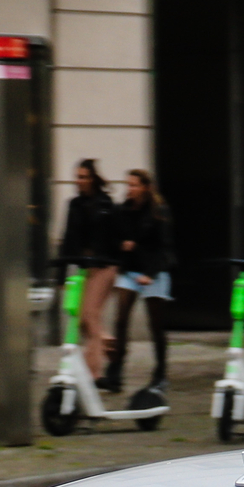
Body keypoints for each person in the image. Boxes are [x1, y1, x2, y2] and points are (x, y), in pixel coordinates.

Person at [104, 167, 176, 394]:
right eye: (128, 185)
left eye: (134, 185)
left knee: (156, 324)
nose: (130, 189)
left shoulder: (158, 212)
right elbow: (113, 237)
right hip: (131, 270)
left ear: (145, 187)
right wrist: (121, 246)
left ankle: (161, 372)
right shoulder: (122, 211)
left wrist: (150, 273)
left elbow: (165, 248)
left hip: (154, 271)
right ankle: (115, 371)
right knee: (121, 318)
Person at [56, 159, 122, 379]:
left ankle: (92, 374)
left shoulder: (106, 204)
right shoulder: (74, 205)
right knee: (84, 319)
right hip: (85, 268)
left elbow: (115, 237)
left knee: (90, 315)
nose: (78, 181)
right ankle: (105, 341)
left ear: (92, 179)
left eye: (83, 177)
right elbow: (66, 240)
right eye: (77, 176)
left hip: (104, 267)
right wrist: (60, 275)